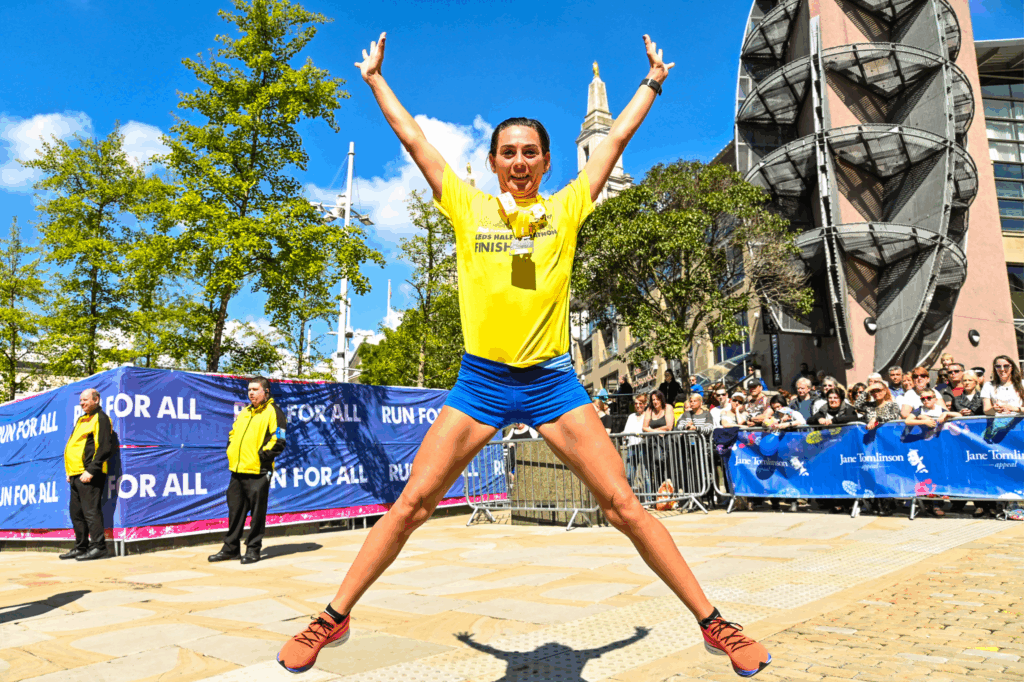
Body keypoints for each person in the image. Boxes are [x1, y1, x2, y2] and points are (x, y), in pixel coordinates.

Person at [277, 32, 770, 677]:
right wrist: (374, 80)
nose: (519, 161)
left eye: (531, 153)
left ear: (544, 162)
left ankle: (714, 625)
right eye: (508, 152)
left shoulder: (566, 210)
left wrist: (651, 83)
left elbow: (613, 144)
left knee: (624, 506)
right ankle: (333, 617)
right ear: (491, 161)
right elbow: (417, 144)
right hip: (480, 383)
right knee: (411, 506)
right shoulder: (467, 207)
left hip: (553, 382)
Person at [208, 377, 286, 565]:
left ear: (266, 392)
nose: (251, 393)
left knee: (257, 514)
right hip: (238, 471)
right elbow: (233, 434)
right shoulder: (244, 412)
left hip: (259, 471)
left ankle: (253, 549)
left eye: (255, 389)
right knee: (235, 512)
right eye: (249, 389)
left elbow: (279, 440)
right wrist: (231, 450)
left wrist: (261, 457)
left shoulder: (274, 412)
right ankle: (231, 548)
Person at [59, 388, 114, 562]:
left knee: (91, 512)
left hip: (90, 473)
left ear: (96, 399)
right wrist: (70, 472)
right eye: (80, 400)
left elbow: (104, 448)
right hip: (75, 474)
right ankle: (80, 547)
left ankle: (99, 547)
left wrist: (91, 470)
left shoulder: (102, 418)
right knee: (76, 513)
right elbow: (75, 446)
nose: (82, 403)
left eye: (85, 400)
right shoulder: (82, 419)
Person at [621, 396, 651, 499]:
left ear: (645, 404)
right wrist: (623, 434)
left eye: (640, 403)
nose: (638, 405)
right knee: (629, 475)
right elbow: (626, 430)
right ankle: (629, 499)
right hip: (632, 447)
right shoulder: (631, 416)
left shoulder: (648, 415)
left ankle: (648, 499)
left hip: (643, 446)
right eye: (636, 403)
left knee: (645, 475)